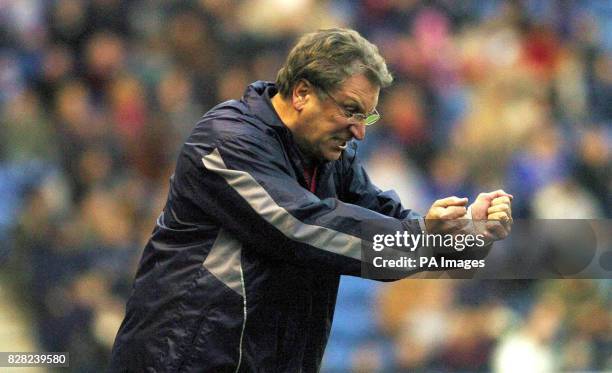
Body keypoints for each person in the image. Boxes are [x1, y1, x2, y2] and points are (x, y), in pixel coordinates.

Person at [110, 28, 512, 372]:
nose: (359, 132)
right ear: (302, 92)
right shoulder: (226, 141)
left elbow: (390, 224)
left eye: (367, 116)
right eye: (351, 110)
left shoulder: (331, 157)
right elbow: (300, 227)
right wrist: (422, 236)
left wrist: (465, 234)